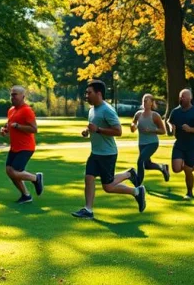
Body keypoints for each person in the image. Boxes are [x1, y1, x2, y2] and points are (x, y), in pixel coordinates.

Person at [71, 80, 146, 218]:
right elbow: (93, 126)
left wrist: (98, 130)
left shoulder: (107, 110)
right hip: (95, 153)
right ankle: (88, 210)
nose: (86, 95)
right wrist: (87, 131)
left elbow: (118, 131)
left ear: (98, 93)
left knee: (108, 187)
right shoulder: (92, 109)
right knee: (89, 177)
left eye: (89, 93)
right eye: (86, 93)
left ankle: (135, 187)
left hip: (107, 154)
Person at [0, 85, 43, 204]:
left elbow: (34, 129)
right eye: (11, 94)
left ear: (23, 96)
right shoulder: (11, 110)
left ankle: (36, 178)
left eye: (15, 94)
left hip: (26, 147)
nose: (12, 97)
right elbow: (9, 124)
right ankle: (26, 195)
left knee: (14, 171)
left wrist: (18, 126)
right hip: (15, 147)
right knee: (9, 171)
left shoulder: (27, 110)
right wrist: (4, 129)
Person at [166, 88, 194, 199]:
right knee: (176, 168)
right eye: (180, 96)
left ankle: (189, 192)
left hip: (192, 145)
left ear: (190, 98)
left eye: (184, 96)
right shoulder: (175, 111)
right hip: (179, 144)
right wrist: (172, 127)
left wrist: (191, 129)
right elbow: (169, 121)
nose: (181, 98)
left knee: (187, 170)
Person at [129, 93, 169, 187]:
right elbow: (133, 125)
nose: (145, 101)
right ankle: (162, 167)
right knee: (147, 165)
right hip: (141, 143)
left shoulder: (155, 116)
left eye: (147, 100)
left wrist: (151, 130)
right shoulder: (138, 114)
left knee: (140, 161)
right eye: (144, 100)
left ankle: (138, 184)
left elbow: (163, 131)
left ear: (152, 103)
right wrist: (133, 126)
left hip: (152, 143)